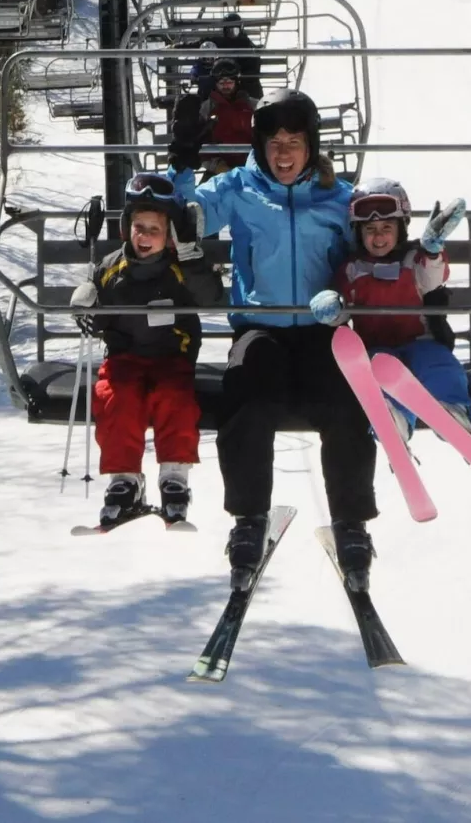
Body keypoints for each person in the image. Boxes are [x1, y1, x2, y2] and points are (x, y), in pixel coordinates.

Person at [166, 89, 380, 589]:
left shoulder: (339, 197)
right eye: (274, 142)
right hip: (260, 327)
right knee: (247, 401)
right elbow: (188, 217)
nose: (283, 154)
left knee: (345, 404)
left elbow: (374, 244)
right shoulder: (239, 188)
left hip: (324, 330)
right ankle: (249, 518)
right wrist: (183, 160)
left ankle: (351, 523)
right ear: (260, 146)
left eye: (294, 142)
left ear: (312, 147)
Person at [68, 173, 224, 526]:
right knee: (116, 398)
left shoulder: (181, 268)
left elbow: (211, 297)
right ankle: (124, 479)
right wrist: (88, 307)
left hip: (172, 357)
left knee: (174, 398)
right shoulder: (112, 269)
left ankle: (174, 475)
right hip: (125, 357)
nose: (146, 237)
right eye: (139, 227)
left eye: (155, 229)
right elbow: (101, 312)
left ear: (169, 233)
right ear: (127, 228)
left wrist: (191, 256)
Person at [309, 179, 471, 442]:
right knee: (378, 375)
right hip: (377, 347)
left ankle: (453, 410)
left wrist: (433, 250)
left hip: (421, 341)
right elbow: (344, 309)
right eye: (370, 229)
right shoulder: (352, 269)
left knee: (440, 366)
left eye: (387, 227)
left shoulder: (414, 260)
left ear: (401, 229)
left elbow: (433, 277)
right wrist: (332, 310)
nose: (378, 236)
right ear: (358, 232)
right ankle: (391, 418)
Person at [172, 59, 257, 179]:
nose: (225, 86)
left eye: (229, 82)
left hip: (251, 167)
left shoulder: (251, 105)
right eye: (221, 83)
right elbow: (199, 141)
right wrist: (216, 166)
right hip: (218, 170)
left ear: (236, 82)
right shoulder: (207, 108)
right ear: (215, 84)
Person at [189, 14, 263, 100]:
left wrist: (242, 75)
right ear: (225, 30)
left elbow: (254, 65)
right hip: (220, 77)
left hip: (238, 79)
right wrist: (177, 46)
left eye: (235, 30)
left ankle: (257, 107)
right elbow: (198, 44)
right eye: (229, 31)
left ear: (240, 30)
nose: (232, 34)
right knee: (207, 87)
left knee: (251, 87)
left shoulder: (246, 43)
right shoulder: (219, 41)